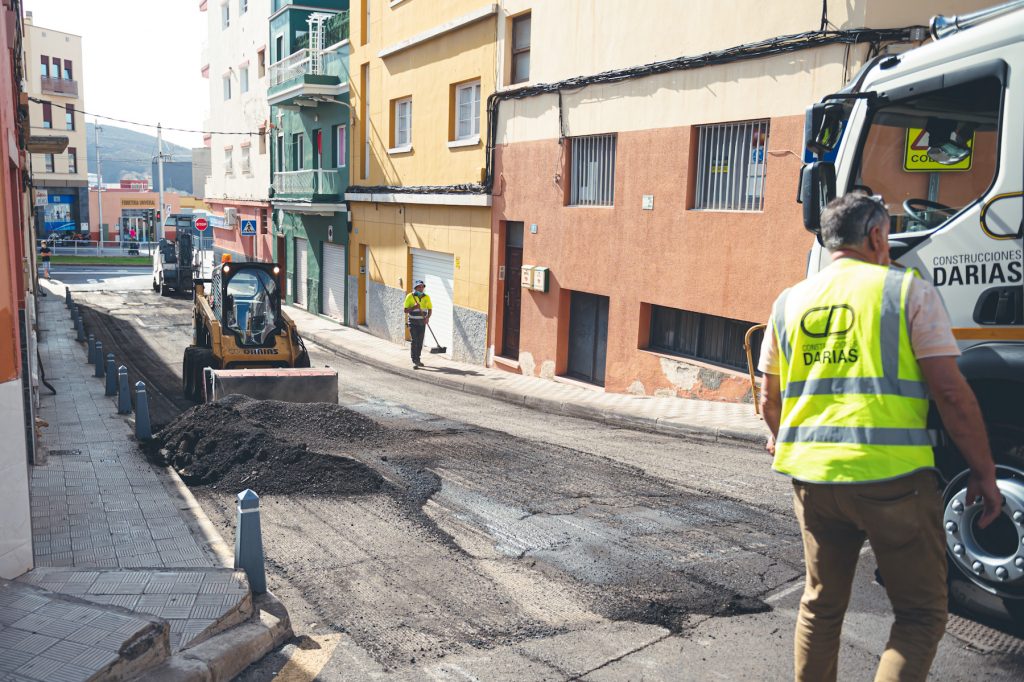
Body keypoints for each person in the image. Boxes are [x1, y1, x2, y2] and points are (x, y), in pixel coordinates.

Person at [758, 192, 1001, 682]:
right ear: (876, 236)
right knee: (920, 614)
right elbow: (952, 396)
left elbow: (768, 398)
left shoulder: (790, 301)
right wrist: (985, 472)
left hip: (812, 480)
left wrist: (783, 437)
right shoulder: (906, 290)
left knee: (820, 605)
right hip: (893, 480)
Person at [403, 280, 432, 368]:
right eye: (419, 286)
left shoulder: (427, 297)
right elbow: (405, 310)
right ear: (415, 288)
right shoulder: (410, 296)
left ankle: (418, 358)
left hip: (422, 323)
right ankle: (414, 359)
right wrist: (414, 307)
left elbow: (430, 309)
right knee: (415, 341)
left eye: (422, 286)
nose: (421, 288)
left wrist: (427, 317)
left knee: (420, 342)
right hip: (413, 323)